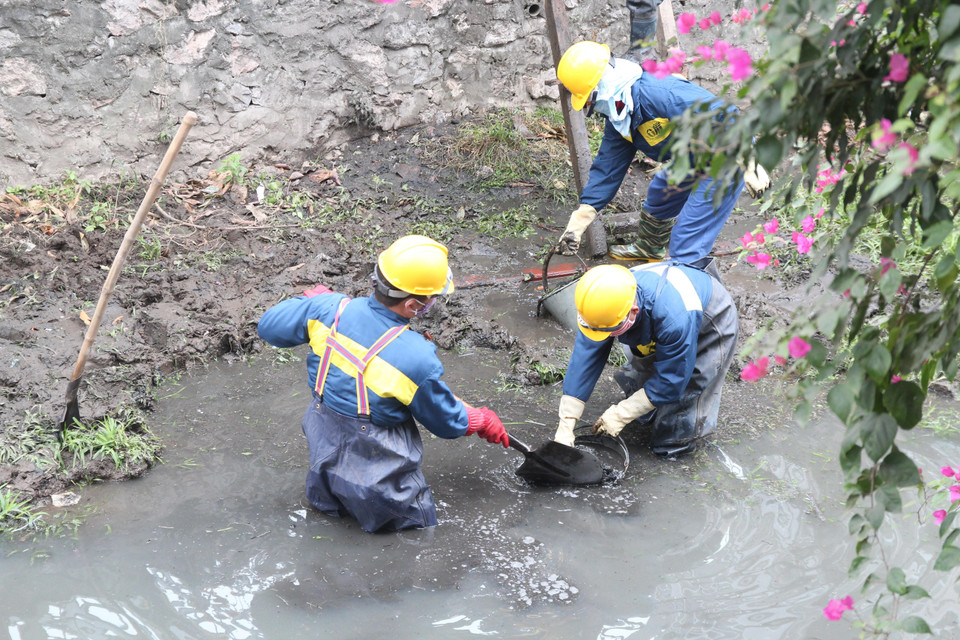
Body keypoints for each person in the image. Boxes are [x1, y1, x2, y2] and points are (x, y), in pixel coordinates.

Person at [257, 235, 510, 533]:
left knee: (329, 521)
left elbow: (268, 328)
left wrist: (311, 304)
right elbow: (446, 423)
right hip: (382, 484)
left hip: (323, 465)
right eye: (432, 297)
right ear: (413, 305)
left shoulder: (330, 310)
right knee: (416, 535)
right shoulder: (416, 357)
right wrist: (480, 419)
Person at [553, 40, 769, 264]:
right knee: (661, 193)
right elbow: (607, 168)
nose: (591, 107)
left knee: (686, 238)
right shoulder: (622, 114)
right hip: (693, 156)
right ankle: (649, 248)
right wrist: (581, 218)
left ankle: (687, 274)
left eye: (589, 99)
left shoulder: (659, 93)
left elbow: (721, 112)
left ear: (602, 86)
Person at [553, 260, 737, 458]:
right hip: (662, 313)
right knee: (645, 375)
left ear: (633, 311)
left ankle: (678, 442)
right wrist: (566, 422)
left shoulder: (674, 319)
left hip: (710, 320)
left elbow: (673, 378)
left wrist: (622, 413)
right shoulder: (602, 305)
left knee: (683, 403)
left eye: (611, 330)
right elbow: (585, 357)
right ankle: (649, 409)